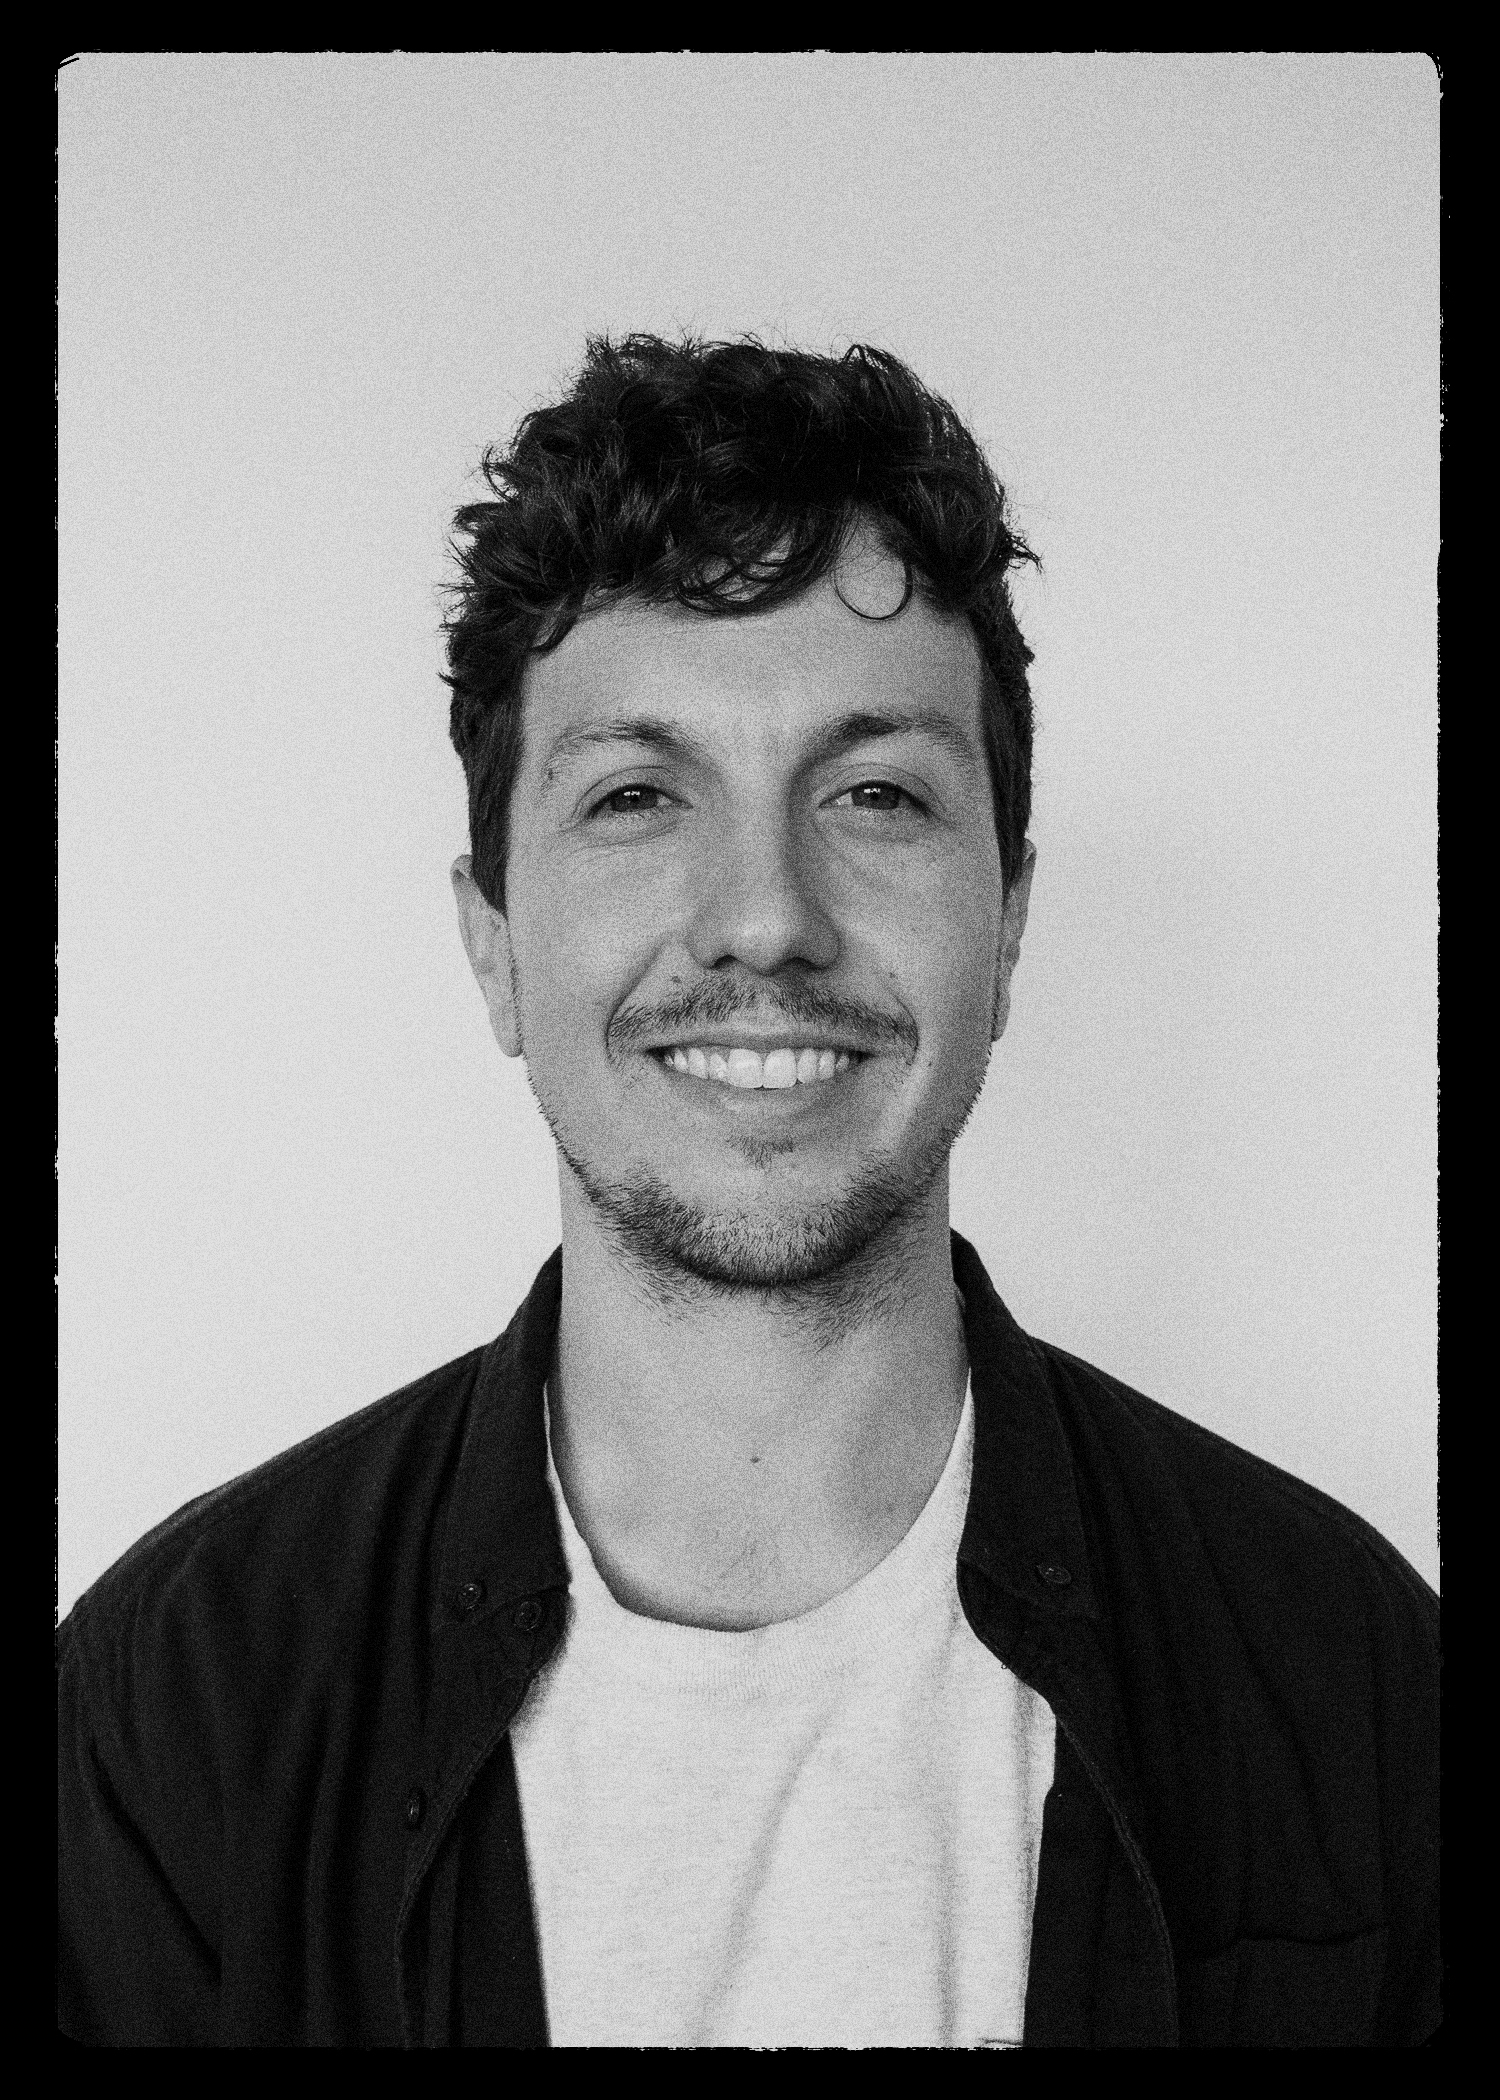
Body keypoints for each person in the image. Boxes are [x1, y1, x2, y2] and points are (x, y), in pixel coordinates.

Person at [57, 335, 1440, 2048]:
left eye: (873, 794)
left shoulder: (1349, 1677)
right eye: (639, 796)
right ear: (493, 945)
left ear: (1006, 919)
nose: (764, 916)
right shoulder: (178, 1708)